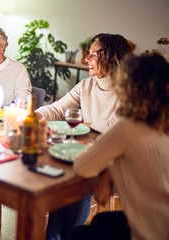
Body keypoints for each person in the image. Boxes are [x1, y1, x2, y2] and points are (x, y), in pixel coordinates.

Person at [36, 33, 132, 240]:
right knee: (62, 176)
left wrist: (81, 124)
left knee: (82, 182)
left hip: (114, 163)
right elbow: (56, 109)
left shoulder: (128, 91)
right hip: (83, 152)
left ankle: (70, 236)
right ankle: (52, 237)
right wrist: (33, 115)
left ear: (111, 57)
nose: (87, 59)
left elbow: (111, 127)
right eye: (88, 54)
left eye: (93, 55)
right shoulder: (86, 85)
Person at [72, 53, 169, 240]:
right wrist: (109, 173)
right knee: (102, 220)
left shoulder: (130, 125)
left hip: (153, 233)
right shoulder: (163, 122)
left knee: (80, 234)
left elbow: (82, 167)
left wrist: (107, 168)